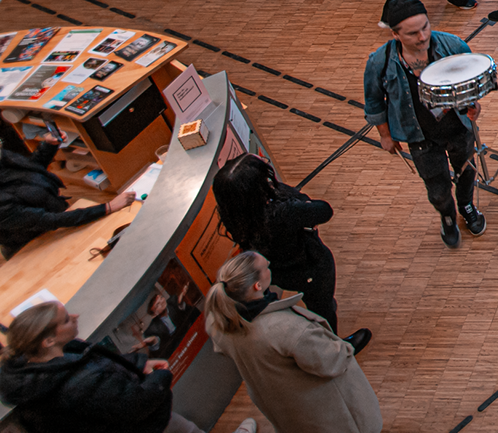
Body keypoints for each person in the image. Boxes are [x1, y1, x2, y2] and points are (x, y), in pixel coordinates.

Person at [0, 298, 253, 433]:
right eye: (66, 319)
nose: (75, 317)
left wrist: (139, 362)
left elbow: (100, 364)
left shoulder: (33, 368)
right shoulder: (79, 384)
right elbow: (135, 404)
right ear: (48, 341)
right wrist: (161, 377)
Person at [203, 250, 381, 433]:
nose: (270, 267)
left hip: (285, 410)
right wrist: (345, 348)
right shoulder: (287, 329)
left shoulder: (219, 323)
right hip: (326, 412)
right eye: (266, 267)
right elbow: (331, 361)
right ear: (257, 285)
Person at [362, 0, 487, 247]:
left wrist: (474, 104)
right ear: (395, 34)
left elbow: (471, 82)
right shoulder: (379, 62)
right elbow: (373, 101)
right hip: (419, 136)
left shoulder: (453, 46)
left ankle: (466, 206)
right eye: (412, 33)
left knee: (466, 173)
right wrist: (385, 135)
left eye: (425, 27)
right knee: (437, 187)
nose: (422, 37)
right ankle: (447, 216)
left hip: (458, 129)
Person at [211, 153, 366, 346]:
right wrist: (294, 199)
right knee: (323, 307)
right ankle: (336, 348)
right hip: (309, 266)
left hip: (278, 271)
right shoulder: (281, 212)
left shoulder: (236, 213)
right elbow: (324, 210)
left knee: (317, 302)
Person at [0, 119, 135, 256]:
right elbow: (51, 220)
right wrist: (107, 207)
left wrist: (49, 146)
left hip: (56, 217)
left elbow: (30, 171)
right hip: (34, 244)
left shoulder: (3, 158)